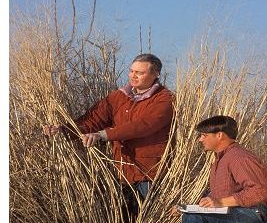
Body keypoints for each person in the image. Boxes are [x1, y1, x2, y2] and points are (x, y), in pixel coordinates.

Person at [43, 53, 174, 214]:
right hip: (122, 170)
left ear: (155, 74)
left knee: (155, 217)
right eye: (131, 71)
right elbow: (93, 120)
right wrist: (63, 130)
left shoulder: (165, 99)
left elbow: (144, 125)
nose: (133, 76)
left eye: (139, 73)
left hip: (151, 171)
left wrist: (103, 135)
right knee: (127, 220)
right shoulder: (118, 97)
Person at [175, 115, 267, 223]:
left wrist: (220, 202)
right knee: (191, 213)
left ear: (219, 135)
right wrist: (188, 207)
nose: (200, 139)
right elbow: (222, 196)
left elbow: (260, 191)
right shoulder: (220, 159)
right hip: (238, 212)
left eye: (204, 135)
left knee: (193, 218)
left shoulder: (238, 157)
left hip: (251, 214)